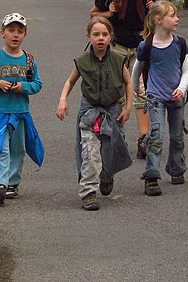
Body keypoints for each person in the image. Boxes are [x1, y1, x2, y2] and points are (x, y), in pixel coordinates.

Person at [55, 16, 134, 211]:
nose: (100, 38)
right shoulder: (82, 61)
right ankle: (88, 192)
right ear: (88, 37)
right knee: (89, 151)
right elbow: (70, 81)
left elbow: (128, 82)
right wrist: (63, 100)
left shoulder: (117, 59)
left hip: (113, 110)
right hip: (90, 111)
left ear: (111, 37)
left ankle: (107, 174)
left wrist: (128, 108)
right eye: (96, 34)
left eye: (105, 34)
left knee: (111, 149)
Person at [90, 0, 155, 158]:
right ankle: (116, 137)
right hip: (117, 46)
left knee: (141, 93)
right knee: (116, 94)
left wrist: (153, 9)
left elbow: (154, 18)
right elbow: (94, 14)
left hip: (141, 46)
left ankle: (144, 139)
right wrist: (109, 12)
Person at [0, 12, 44, 206]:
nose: (15, 35)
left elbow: (37, 84)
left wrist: (24, 87)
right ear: (2, 33)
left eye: (20, 31)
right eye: (11, 30)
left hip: (21, 111)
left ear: (24, 35)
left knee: (18, 149)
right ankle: (0, 184)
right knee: (1, 148)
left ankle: (13, 183)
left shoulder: (29, 60)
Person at [132, 0, 188, 196]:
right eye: (172, 15)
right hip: (155, 97)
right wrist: (135, 88)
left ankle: (176, 168)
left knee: (177, 136)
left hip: (176, 97)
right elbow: (137, 68)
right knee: (156, 135)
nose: (177, 19)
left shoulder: (179, 44)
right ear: (158, 20)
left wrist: (182, 89)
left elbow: (187, 70)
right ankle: (151, 175)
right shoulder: (146, 46)